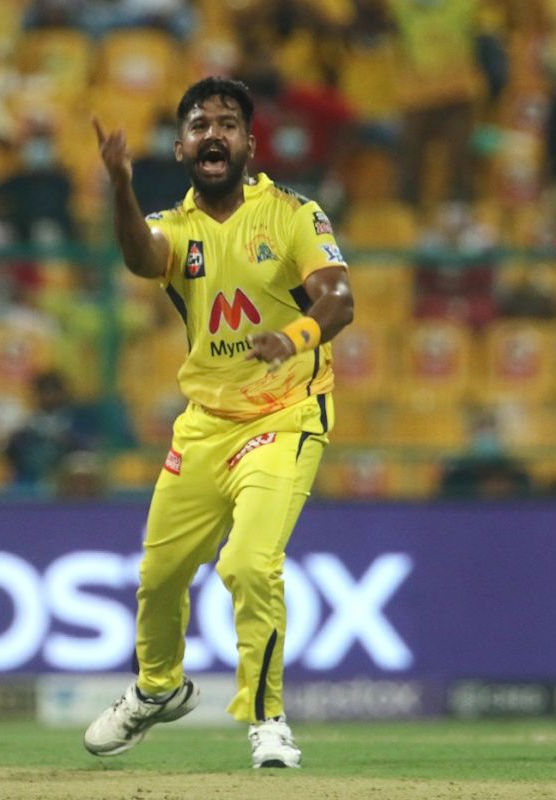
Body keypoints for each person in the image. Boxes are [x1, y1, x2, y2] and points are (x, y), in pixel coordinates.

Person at [84, 76, 354, 769]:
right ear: (180, 148)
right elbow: (140, 258)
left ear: (249, 144)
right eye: (199, 124)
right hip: (207, 423)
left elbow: (340, 301)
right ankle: (157, 689)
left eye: (228, 123)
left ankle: (267, 721)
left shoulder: (294, 213)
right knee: (160, 575)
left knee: (248, 564)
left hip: (287, 412)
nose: (213, 133)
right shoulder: (177, 228)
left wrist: (293, 339)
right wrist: (120, 183)